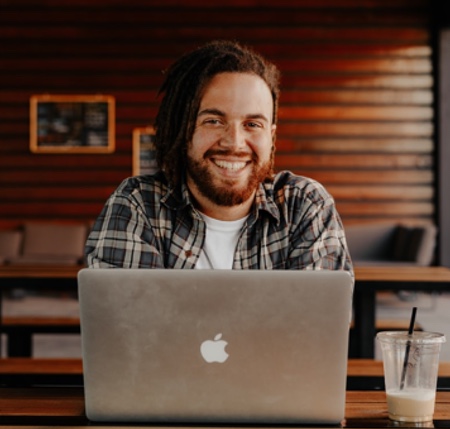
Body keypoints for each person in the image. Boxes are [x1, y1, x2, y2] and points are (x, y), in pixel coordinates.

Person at [85, 40, 353, 274]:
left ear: (271, 136)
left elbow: (314, 329)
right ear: (183, 128)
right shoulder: (138, 206)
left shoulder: (305, 206)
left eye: (252, 124)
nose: (234, 143)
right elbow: (128, 328)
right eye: (213, 120)